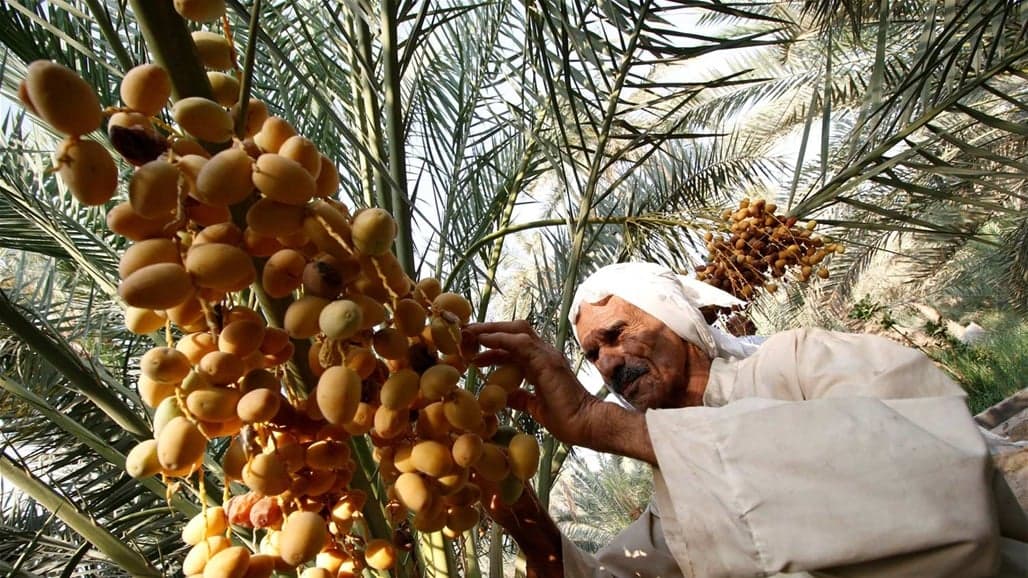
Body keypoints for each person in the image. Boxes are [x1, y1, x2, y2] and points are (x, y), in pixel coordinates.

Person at [463, 262, 1028, 578]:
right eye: (591, 355)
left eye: (616, 335)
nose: (608, 361)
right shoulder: (669, 503)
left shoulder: (798, 361)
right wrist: (525, 520)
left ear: (677, 322)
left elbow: (934, 461)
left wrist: (602, 423)